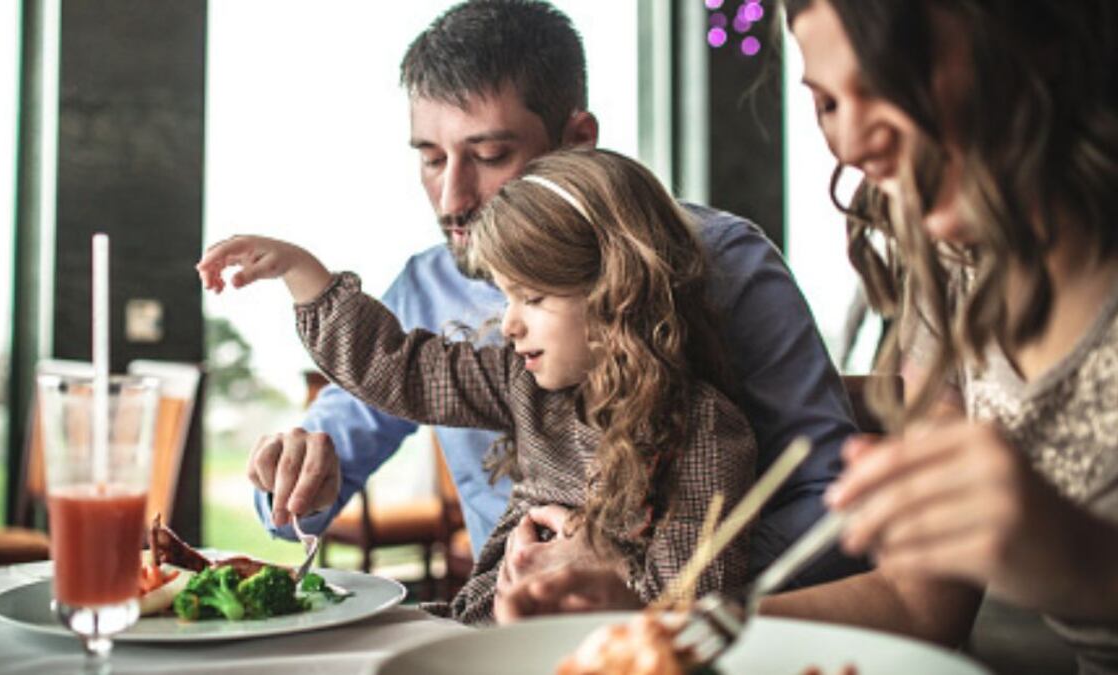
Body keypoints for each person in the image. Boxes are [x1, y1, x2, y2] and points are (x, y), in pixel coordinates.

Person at [500, 0, 1118, 670]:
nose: (852, 141)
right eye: (827, 102)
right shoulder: (952, 275)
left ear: (1035, 41)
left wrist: (1083, 557)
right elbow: (920, 602)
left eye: (890, 78)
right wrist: (653, 618)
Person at [249, 0, 861, 590]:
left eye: (489, 155)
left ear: (578, 141)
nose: (451, 200)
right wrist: (294, 476)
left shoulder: (724, 264)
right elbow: (293, 503)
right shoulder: (425, 288)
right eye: (432, 159)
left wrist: (641, 580)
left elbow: (829, 504)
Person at [199, 147, 764, 624]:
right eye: (507, 296)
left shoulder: (707, 434)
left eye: (534, 299)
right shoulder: (525, 383)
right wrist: (304, 275)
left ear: (618, 293)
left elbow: (695, 606)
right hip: (480, 631)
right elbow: (402, 370)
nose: (511, 323)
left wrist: (608, 567)